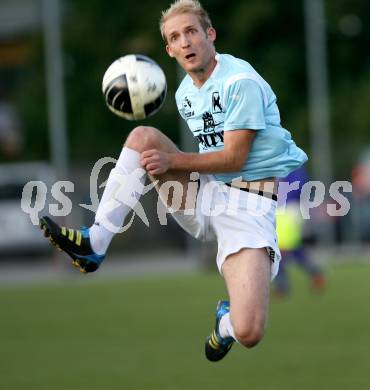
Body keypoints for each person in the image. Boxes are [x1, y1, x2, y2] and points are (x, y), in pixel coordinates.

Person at [39, 0, 308, 362]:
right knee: (143, 138)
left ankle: (224, 322)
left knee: (249, 332)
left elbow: (235, 158)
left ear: (210, 35)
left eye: (192, 32)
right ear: (168, 50)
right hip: (206, 195)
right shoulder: (184, 93)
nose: (185, 42)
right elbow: (209, 160)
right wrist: (170, 163)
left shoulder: (239, 82)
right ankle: (94, 243)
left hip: (248, 208)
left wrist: (173, 161)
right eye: (175, 37)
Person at [274, 167, 326, 297]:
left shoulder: (292, 164)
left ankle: (282, 285)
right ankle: (316, 273)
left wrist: (281, 192)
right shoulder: (278, 162)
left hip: (289, 210)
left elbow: (300, 186)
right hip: (280, 210)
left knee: (280, 249)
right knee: (290, 249)